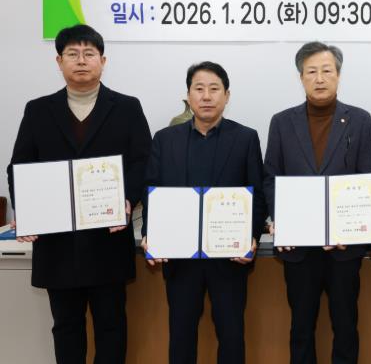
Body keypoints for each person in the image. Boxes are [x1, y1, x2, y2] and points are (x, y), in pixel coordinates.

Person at [6, 24, 151, 364]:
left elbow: (143, 162)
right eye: (72, 54)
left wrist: (127, 199)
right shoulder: (38, 110)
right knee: (66, 327)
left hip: (107, 239)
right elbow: (19, 167)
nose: (81, 60)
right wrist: (27, 212)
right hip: (57, 244)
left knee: (112, 326)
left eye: (89, 53)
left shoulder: (127, 107)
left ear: (103, 61)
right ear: (59, 62)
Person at [141, 61, 266, 364]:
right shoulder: (165, 139)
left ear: (227, 95)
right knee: (181, 336)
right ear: (188, 95)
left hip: (229, 258)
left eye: (214, 89)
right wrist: (149, 235)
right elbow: (152, 191)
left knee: (232, 336)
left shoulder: (246, 138)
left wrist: (251, 237)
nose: (206, 96)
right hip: (180, 259)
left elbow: (258, 194)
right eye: (199, 89)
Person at [264, 41, 371, 364]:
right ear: (301, 77)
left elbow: (366, 179)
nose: (320, 78)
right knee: (301, 328)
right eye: (311, 71)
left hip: (344, 248)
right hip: (299, 249)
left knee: (346, 327)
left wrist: (352, 228)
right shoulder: (282, 122)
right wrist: (280, 219)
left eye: (327, 70)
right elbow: (271, 177)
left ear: (338, 75)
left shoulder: (359, 120)